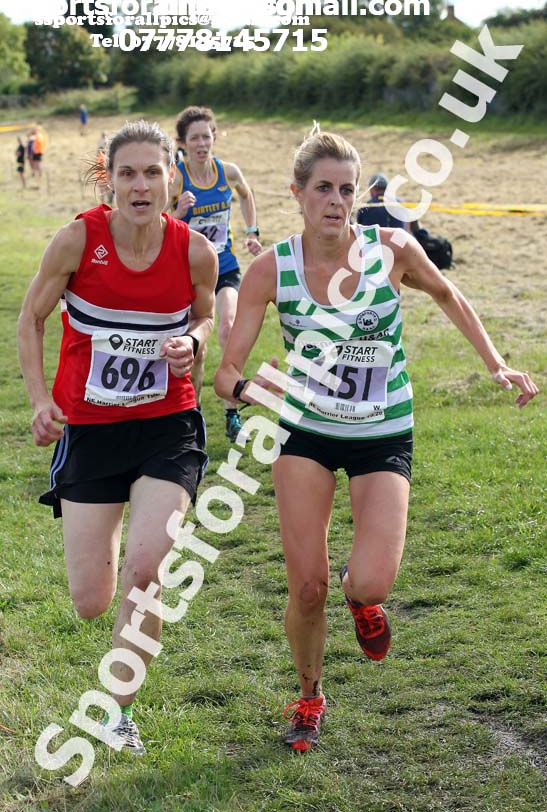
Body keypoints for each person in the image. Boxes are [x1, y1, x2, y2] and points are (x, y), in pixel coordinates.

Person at [214, 127, 538, 753]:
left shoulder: (391, 249)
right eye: (323, 189)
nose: (336, 201)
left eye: (347, 189)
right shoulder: (270, 270)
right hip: (305, 430)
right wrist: (255, 390)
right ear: (297, 194)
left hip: (382, 428)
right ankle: (309, 696)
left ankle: (362, 602)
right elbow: (226, 375)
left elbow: (449, 293)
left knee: (370, 582)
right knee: (306, 587)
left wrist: (495, 363)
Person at [17, 120, 218, 755]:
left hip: (167, 426)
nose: (140, 184)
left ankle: (116, 711)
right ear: (108, 179)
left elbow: (207, 313)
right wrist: (40, 400)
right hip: (92, 431)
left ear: (171, 177)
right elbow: (31, 318)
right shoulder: (78, 240)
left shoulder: (194, 252)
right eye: (126, 173)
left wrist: (195, 342)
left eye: (152, 172)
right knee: (90, 600)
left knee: (147, 570)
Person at [170, 106, 262, 441]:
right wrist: (179, 211)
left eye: (206, 136)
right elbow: (160, 225)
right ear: (183, 142)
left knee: (228, 328)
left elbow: (247, 194)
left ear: (214, 138)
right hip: (188, 274)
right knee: (197, 350)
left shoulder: (228, 171)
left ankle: (231, 411)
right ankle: (191, 416)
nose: (201, 143)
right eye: (194, 138)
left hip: (224, 267)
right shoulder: (177, 177)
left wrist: (252, 231)